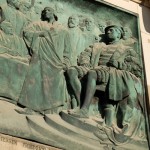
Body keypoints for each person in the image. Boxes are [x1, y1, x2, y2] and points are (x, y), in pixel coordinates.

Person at [68, 25, 142, 128]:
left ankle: (84, 110)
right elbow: (84, 55)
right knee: (71, 71)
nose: (108, 32)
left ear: (119, 34)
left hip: (111, 73)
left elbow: (136, 69)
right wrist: (85, 62)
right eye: (107, 31)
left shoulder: (126, 50)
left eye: (111, 30)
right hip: (93, 67)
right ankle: (81, 105)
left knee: (92, 73)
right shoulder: (97, 46)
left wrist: (120, 65)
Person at [17, 7, 72, 114]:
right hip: (40, 57)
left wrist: (66, 62)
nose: (45, 12)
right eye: (44, 11)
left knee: (52, 83)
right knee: (34, 79)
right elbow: (27, 32)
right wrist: (40, 33)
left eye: (48, 10)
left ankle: (49, 109)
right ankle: (30, 107)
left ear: (54, 13)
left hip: (55, 61)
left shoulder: (63, 30)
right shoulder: (38, 24)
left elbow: (67, 49)